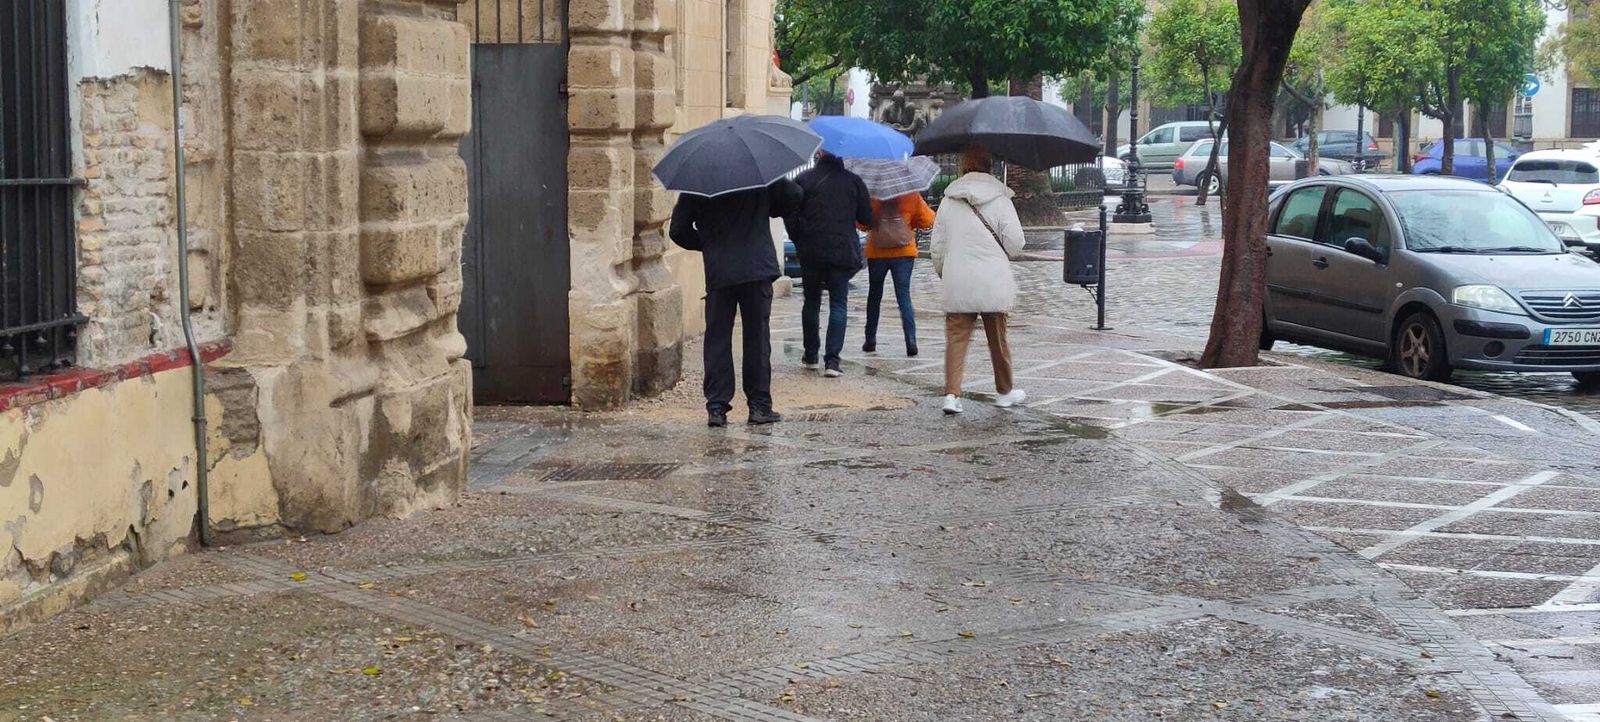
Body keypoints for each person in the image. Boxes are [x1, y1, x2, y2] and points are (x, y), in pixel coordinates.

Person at [670, 178, 802, 428]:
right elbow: (794, 195)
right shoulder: (759, 177)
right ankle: (759, 406)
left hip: (720, 269)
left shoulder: (699, 182)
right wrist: (770, 204)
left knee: (717, 339)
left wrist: (709, 242)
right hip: (756, 267)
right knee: (757, 339)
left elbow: (678, 230)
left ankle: (717, 407)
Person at [930, 145, 1027, 415]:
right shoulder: (1001, 199)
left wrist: (946, 272)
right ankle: (1004, 392)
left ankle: (951, 395)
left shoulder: (949, 200)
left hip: (958, 278)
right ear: (990, 166)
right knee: (998, 338)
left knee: (956, 338)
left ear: (962, 167)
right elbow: (1016, 244)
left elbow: (937, 247)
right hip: (992, 279)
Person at [786, 151, 874, 377]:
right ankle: (832, 361)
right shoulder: (853, 181)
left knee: (811, 301)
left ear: (819, 153)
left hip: (811, 249)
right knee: (838, 303)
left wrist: (799, 238)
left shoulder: (803, 179)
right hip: (841, 249)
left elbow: (789, 213)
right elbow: (867, 218)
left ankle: (811, 355)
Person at [863, 191, 935, 357]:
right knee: (904, 297)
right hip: (904, 252)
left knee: (874, 296)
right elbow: (927, 220)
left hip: (877, 252)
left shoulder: (873, 196)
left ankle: (870, 339)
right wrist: (909, 222)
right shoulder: (911, 195)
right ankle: (911, 340)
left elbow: (862, 223)